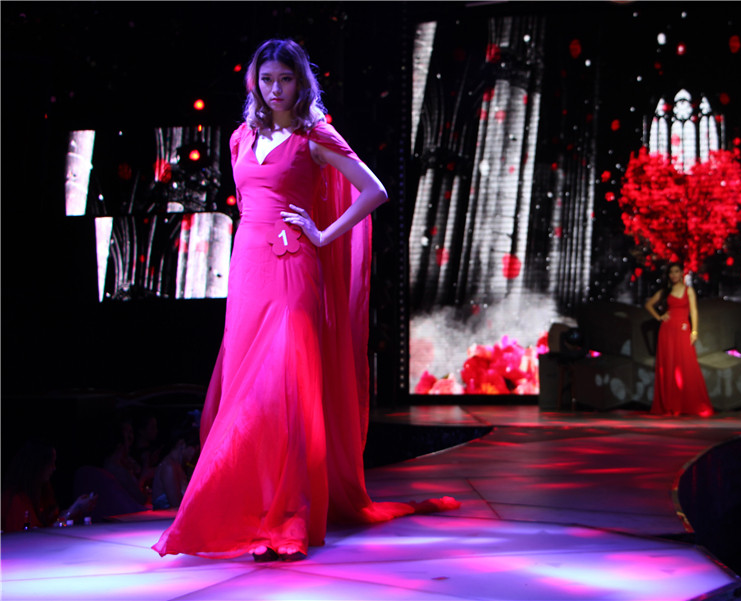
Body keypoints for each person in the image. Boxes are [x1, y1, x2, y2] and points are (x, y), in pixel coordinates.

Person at [153, 39, 457, 563]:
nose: (275, 89)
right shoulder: (241, 137)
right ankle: (252, 509)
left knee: (287, 393)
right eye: (266, 79)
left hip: (294, 268)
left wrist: (323, 234)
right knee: (249, 395)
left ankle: (288, 517)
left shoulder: (314, 135)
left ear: (300, 83)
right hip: (248, 269)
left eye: (285, 79)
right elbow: (249, 206)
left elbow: (375, 190)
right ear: (255, 81)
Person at [643, 262, 714, 417]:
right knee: (668, 366)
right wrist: (659, 317)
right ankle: (669, 405)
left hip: (683, 330)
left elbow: (694, 311)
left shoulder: (689, 290)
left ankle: (687, 404)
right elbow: (648, 305)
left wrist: (694, 331)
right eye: (671, 272)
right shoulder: (665, 292)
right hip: (667, 331)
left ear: (682, 273)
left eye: (676, 271)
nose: (674, 275)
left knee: (687, 365)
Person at [2, 440, 97, 531]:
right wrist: (72, 511)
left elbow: (55, 523)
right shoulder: (16, 499)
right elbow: (38, 534)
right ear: (38, 465)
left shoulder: (43, 492)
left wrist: (75, 508)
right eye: (50, 463)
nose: (54, 468)